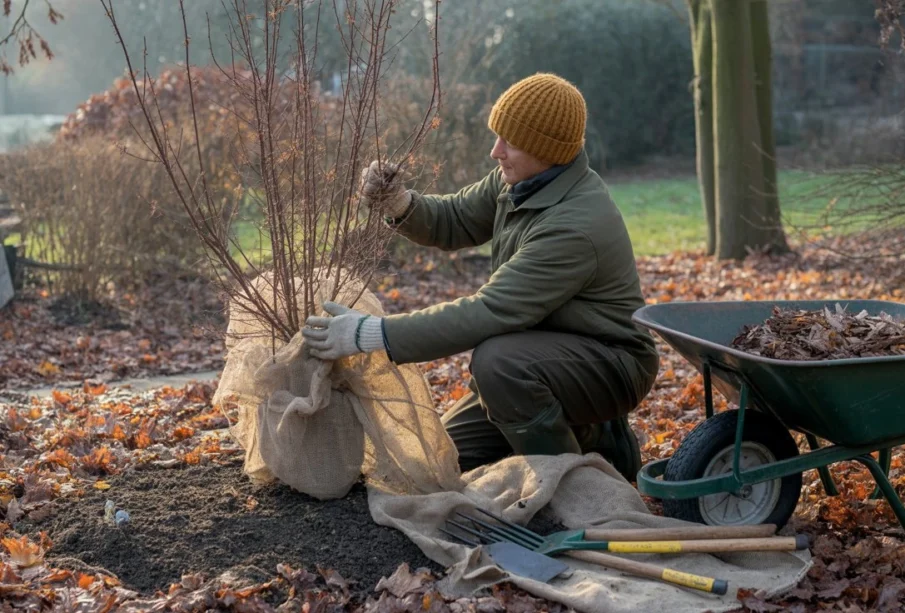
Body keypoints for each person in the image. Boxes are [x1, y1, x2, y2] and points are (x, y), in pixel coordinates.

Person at [303, 73, 659, 481]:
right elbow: (455, 219)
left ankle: (575, 486)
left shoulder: (575, 225)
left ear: (547, 150)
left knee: (497, 364)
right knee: (439, 464)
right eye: (497, 136)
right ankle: (598, 437)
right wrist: (400, 204)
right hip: (541, 355)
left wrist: (372, 335)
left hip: (608, 364)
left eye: (511, 141)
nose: (496, 151)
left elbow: (490, 311)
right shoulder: (521, 180)